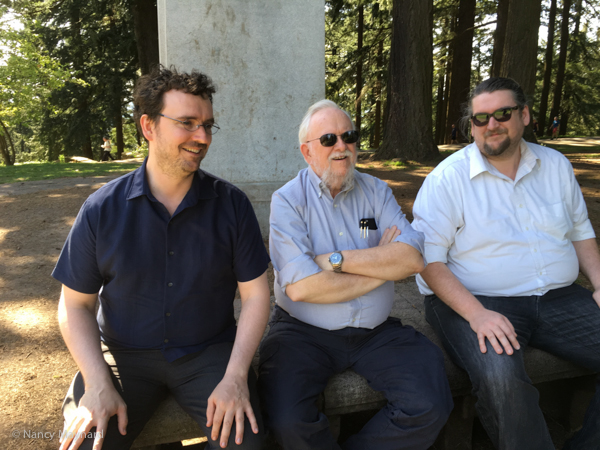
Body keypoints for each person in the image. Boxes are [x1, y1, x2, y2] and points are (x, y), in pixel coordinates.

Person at [52, 66, 270, 450]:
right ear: (148, 127)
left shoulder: (231, 205)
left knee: (246, 443)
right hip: (123, 358)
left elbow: (256, 297)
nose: (201, 137)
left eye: (207, 125)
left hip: (209, 355)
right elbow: (74, 305)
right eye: (187, 123)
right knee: (87, 444)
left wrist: (236, 376)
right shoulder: (101, 209)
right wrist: (98, 381)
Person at [412, 77, 600, 450]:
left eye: (502, 113)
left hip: (558, 297)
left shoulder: (556, 165)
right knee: (502, 380)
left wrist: (598, 281)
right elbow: (427, 263)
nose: (491, 125)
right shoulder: (448, 179)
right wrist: (477, 314)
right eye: (480, 119)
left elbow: (581, 233)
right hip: (474, 301)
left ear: (525, 115)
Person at [258, 99, 453, 450]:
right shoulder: (288, 201)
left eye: (349, 136)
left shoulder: (376, 191)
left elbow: (411, 258)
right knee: (288, 421)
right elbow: (301, 288)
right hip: (303, 333)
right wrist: (381, 269)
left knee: (431, 404)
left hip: (375, 332)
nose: (342, 146)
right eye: (329, 139)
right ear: (307, 151)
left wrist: (334, 260)